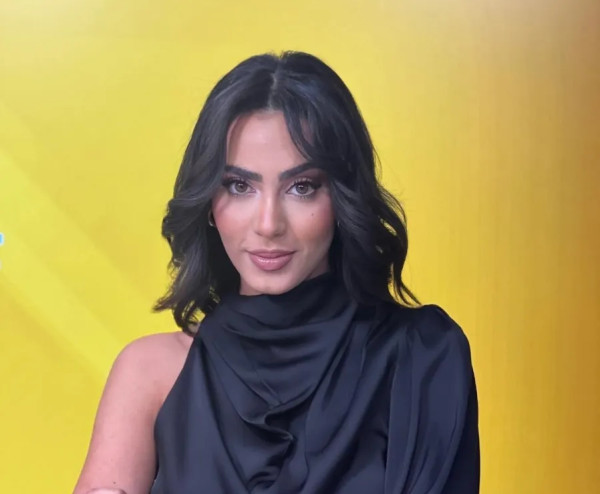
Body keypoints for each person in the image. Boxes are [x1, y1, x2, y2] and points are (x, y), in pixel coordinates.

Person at [74, 51, 479, 494]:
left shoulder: (422, 357)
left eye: (302, 187)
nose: (268, 224)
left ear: (342, 199)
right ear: (208, 202)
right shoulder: (149, 372)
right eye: (239, 186)